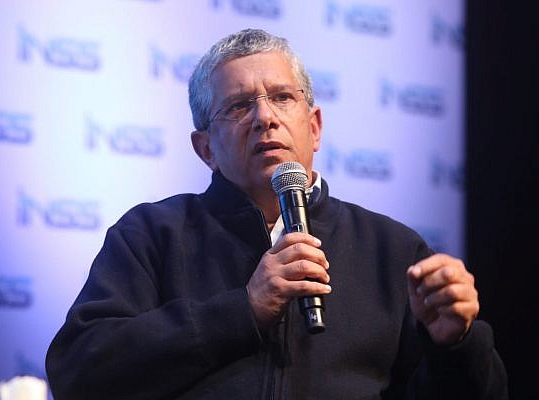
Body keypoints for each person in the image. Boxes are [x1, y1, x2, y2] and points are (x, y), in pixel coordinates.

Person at [45, 28, 508, 399]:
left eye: (283, 97)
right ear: (205, 149)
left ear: (315, 126)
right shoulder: (151, 235)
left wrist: (456, 345)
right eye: (239, 106)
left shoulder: (393, 250)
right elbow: (78, 372)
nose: (265, 118)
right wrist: (242, 310)